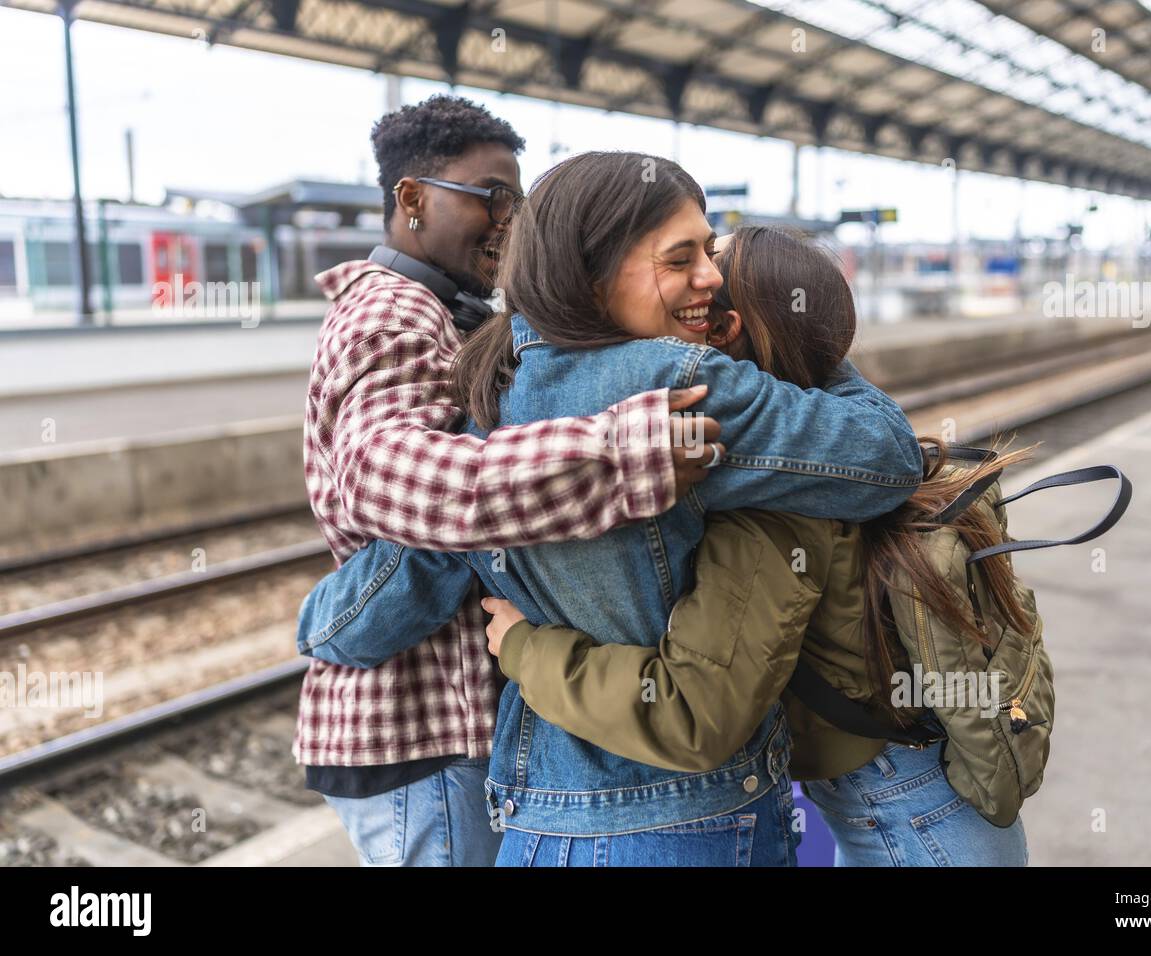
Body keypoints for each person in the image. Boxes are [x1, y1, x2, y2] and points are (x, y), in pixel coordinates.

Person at [301, 152, 925, 865]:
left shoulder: (485, 390)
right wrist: (800, 346)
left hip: (540, 821)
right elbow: (886, 458)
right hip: (686, 823)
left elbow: (411, 571)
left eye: (708, 252)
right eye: (680, 257)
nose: (713, 277)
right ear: (593, 275)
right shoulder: (678, 385)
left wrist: (322, 626)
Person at [478, 225, 1033, 866]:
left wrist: (524, 648)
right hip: (920, 788)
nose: (699, 279)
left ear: (723, 330)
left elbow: (692, 712)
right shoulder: (819, 436)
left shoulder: (772, 503)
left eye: (710, 266)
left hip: (913, 821)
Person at [297, 97, 722, 867]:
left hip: (448, 729)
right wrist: (618, 459)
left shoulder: (445, 311)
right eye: (490, 195)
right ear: (412, 199)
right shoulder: (390, 315)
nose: (509, 219)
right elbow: (390, 478)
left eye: (517, 200)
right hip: (419, 732)